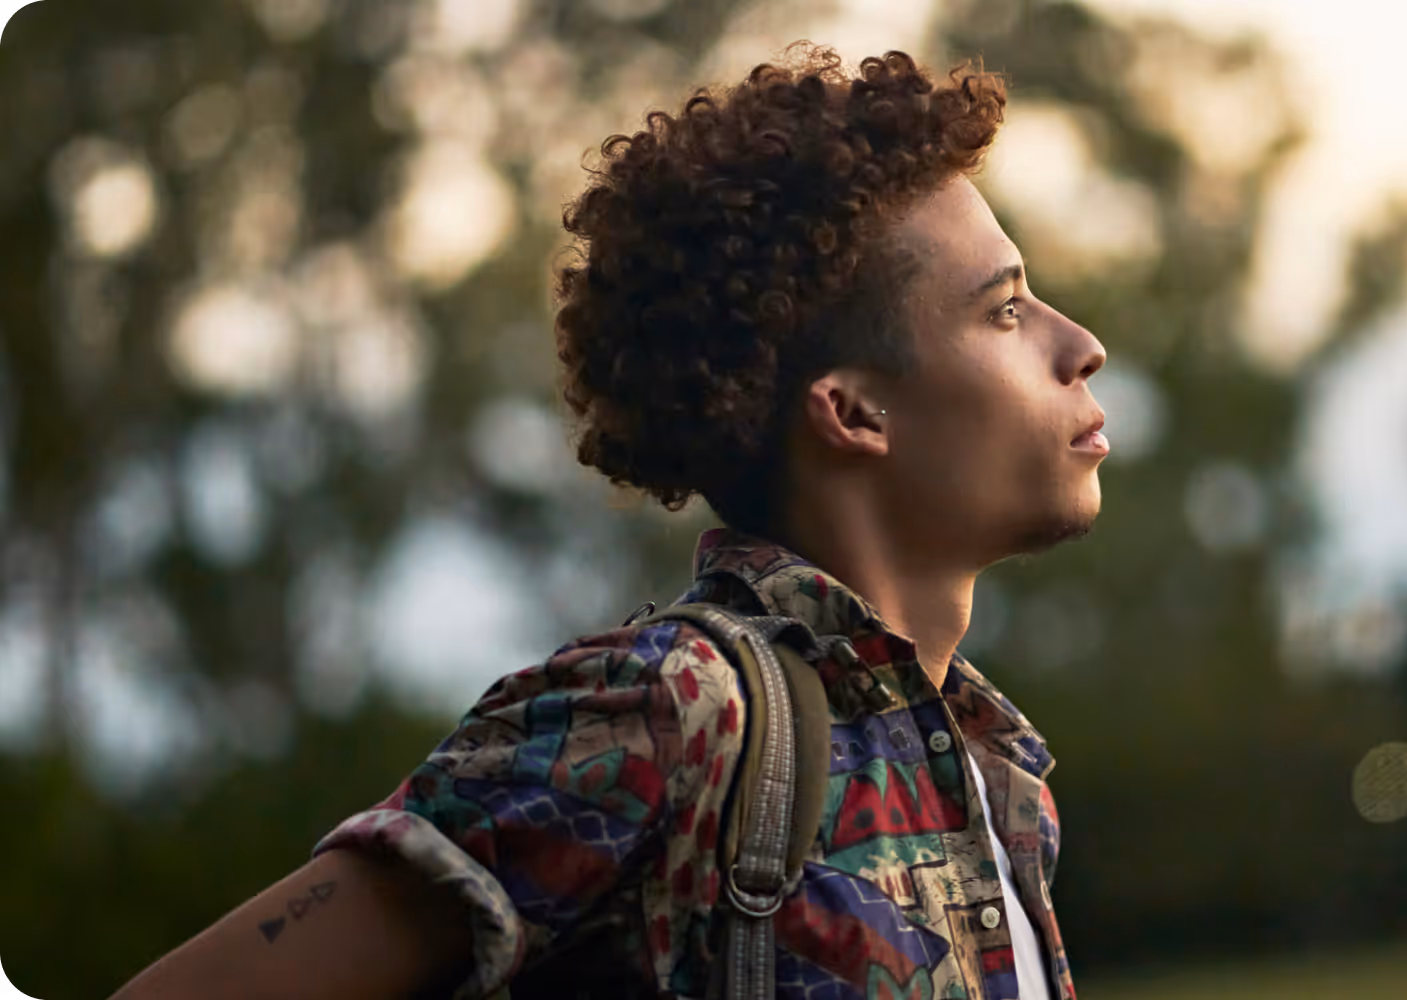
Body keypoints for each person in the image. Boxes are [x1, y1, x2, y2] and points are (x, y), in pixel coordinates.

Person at [109, 44, 1107, 1000]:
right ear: (851, 411)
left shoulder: (986, 764)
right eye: (1005, 311)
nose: (1084, 345)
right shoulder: (668, 711)